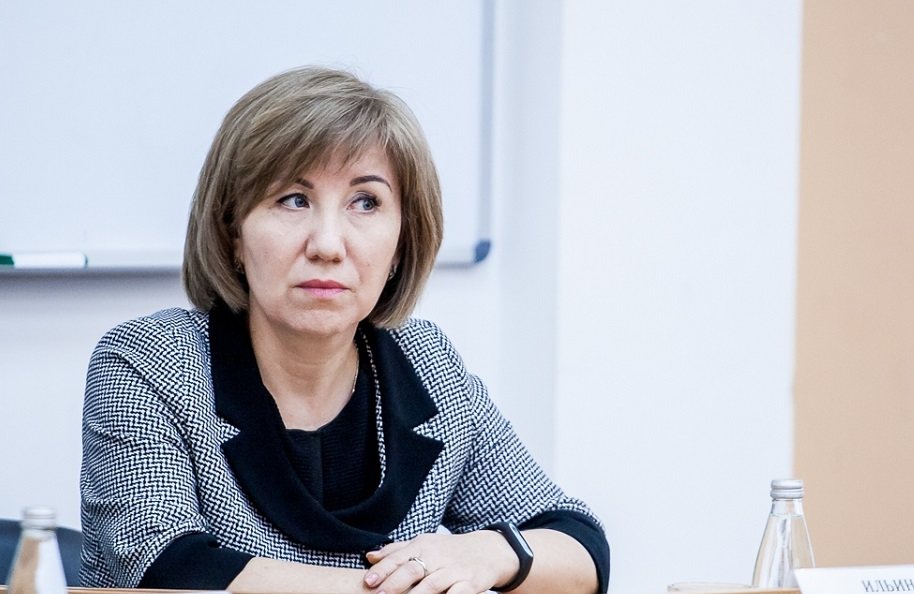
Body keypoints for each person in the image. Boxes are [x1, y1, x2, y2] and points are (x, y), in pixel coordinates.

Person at [79, 66, 609, 594]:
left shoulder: (427, 365)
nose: (328, 245)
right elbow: (163, 570)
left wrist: (488, 552)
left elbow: (580, 547)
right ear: (232, 231)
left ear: (401, 243)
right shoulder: (150, 362)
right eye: (293, 199)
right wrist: (402, 585)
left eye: (365, 203)